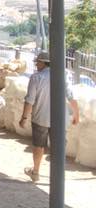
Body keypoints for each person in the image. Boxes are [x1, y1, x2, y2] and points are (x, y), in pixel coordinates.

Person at [19, 51, 80, 182]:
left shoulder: (36, 77)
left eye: (37, 62)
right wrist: (76, 114)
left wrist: (24, 118)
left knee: (38, 145)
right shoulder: (63, 75)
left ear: (43, 63)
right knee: (58, 148)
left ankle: (35, 172)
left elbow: (30, 100)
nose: (36, 65)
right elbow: (71, 97)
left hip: (40, 118)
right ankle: (58, 177)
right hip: (60, 119)